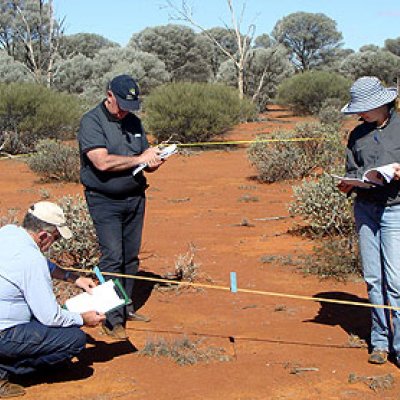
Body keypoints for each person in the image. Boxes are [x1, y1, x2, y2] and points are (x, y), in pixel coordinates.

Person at [78, 74, 165, 340]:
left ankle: (127, 307)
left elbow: (143, 155)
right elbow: (101, 162)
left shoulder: (133, 121)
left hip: (135, 197)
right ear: (109, 96)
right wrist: (139, 158)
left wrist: (153, 160)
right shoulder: (91, 122)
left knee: (130, 256)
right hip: (104, 200)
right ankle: (111, 319)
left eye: (132, 105)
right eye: (122, 104)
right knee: (112, 258)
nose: (126, 110)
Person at [0, 201, 105, 398]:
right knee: (74, 339)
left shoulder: (9, 233)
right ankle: (6, 370)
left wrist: (74, 278)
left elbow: (47, 265)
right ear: (43, 236)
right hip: (4, 333)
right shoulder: (32, 260)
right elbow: (51, 317)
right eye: (55, 238)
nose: (54, 244)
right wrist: (83, 319)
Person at [338, 76, 400, 366]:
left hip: (394, 210)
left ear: (382, 104)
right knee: (373, 279)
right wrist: (349, 183)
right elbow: (352, 169)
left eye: (364, 108)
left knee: (396, 281)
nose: (359, 114)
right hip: (365, 209)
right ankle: (379, 342)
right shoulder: (357, 135)